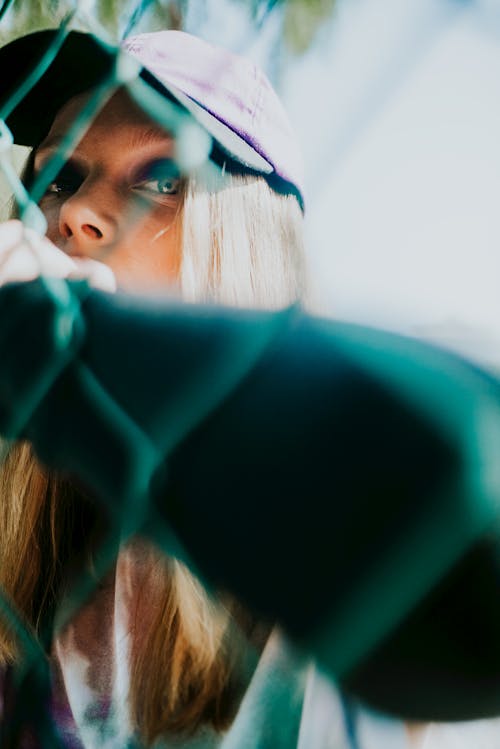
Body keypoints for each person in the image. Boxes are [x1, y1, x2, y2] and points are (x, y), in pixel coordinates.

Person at [0, 27, 312, 749]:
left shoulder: (323, 590)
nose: (72, 213)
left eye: (163, 179)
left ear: (246, 251)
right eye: (58, 178)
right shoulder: (27, 551)